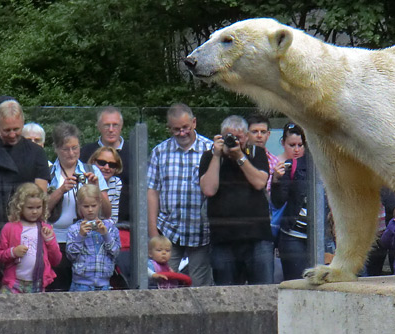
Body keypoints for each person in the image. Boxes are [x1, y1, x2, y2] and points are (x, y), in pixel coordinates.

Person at [199, 115, 273, 285]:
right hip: (223, 238)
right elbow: (209, 190)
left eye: (238, 138)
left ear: (246, 137)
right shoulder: (209, 157)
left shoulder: (257, 153)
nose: (233, 142)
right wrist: (217, 156)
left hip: (257, 236)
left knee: (264, 293)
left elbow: (259, 183)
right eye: (229, 137)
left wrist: (239, 155)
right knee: (225, 295)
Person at [147, 103, 214, 287]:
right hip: (169, 230)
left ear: (194, 122)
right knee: (164, 284)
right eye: (176, 129)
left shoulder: (210, 149)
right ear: (169, 128)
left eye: (185, 127)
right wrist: (153, 233)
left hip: (201, 230)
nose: (182, 133)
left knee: (200, 287)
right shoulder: (159, 152)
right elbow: (152, 191)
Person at [0, 100, 50, 235]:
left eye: (16, 129)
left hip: (24, 227)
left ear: (23, 123)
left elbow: (40, 195)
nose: (12, 134)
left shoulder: (37, 152)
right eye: (7, 130)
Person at [47, 122, 110, 291]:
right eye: (66, 149)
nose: (71, 153)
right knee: (58, 289)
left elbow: (107, 212)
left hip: (87, 238)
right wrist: (61, 190)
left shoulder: (92, 171)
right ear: (56, 149)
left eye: (75, 148)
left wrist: (96, 187)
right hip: (56, 240)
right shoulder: (48, 172)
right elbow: (41, 211)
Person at [271, 123, 334, 281]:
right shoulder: (291, 166)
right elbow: (278, 202)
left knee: (325, 282)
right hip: (293, 235)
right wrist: (276, 180)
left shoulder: (330, 165)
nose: (297, 149)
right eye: (292, 145)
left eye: (301, 145)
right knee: (297, 282)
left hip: (323, 236)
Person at [0, 183, 61, 293]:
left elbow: (56, 260)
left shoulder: (46, 229)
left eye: (38, 207)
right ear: (20, 207)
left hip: (37, 284)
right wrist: (13, 252)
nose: (34, 211)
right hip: (13, 283)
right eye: (30, 208)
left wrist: (49, 240)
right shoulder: (10, 228)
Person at [79, 107, 131, 223]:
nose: (111, 129)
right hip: (89, 220)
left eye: (115, 125)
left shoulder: (134, 152)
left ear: (121, 126)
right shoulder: (86, 152)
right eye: (107, 125)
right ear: (98, 127)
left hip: (128, 224)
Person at [65, 184, 120, 291]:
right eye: (86, 206)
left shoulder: (110, 228)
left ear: (99, 204)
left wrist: (105, 235)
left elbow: (115, 252)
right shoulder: (74, 229)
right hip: (80, 284)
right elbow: (71, 255)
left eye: (93, 206)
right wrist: (80, 236)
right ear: (79, 205)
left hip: (104, 284)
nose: (90, 210)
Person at [89, 146, 122, 224]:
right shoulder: (85, 179)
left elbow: (113, 218)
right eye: (102, 163)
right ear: (93, 162)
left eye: (112, 165)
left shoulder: (116, 182)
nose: (107, 167)